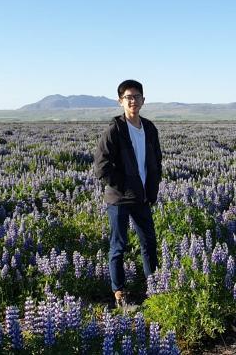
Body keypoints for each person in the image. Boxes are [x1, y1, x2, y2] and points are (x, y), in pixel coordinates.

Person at [93, 79, 163, 308]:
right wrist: (121, 186)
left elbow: (156, 161)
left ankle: (153, 288)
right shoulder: (115, 129)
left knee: (149, 242)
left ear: (144, 99)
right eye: (128, 97)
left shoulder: (150, 128)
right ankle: (119, 293)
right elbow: (101, 166)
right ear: (120, 101)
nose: (133, 101)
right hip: (120, 198)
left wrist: (152, 186)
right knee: (118, 245)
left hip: (142, 197)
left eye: (137, 97)